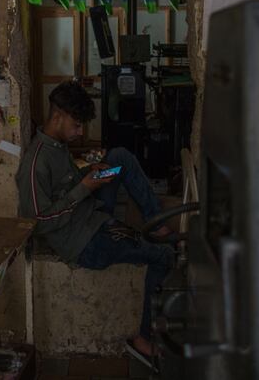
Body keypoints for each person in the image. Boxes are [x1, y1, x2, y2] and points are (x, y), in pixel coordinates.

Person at [16, 80, 173, 366]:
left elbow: (68, 187)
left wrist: (91, 173)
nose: (79, 132)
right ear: (57, 117)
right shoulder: (36, 162)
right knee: (164, 255)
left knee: (119, 157)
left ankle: (155, 221)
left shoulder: (58, 145)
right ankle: (143, 339)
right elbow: (36, 222)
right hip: (83, 243)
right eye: (76, 125)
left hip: (93, 215)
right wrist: (85, 186)